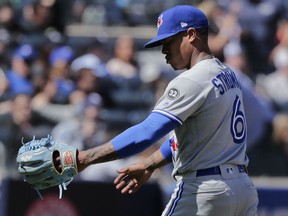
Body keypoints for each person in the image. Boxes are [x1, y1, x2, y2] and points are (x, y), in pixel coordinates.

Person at [58, 5, 258, 216]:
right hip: (243, 189)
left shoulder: (191, 81)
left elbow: (147, 132)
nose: (163, 51)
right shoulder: (227, 74)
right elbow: (192, 139)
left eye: (169, 42)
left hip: (205, 191)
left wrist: (86, 158)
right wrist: (150, 163)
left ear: (191, 35)